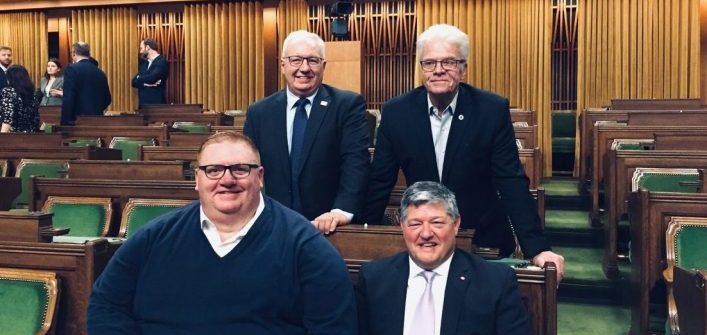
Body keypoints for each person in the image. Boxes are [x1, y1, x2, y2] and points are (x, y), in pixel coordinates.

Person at [87, 131, 358, 335]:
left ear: (260, 177)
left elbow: (334, 328)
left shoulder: (306, 248)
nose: (226, 180)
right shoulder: (153, 238)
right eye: (213, 170)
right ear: (197, 179)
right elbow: (106, 305)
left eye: (240, 169)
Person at [363, 24, 564, 280]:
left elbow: (511, 180)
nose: (438, 70)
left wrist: (537, 248)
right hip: (423, 241)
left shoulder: (491, 110)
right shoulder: (396, 112)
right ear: (421, 68)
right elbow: (380, 181)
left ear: (463, 68)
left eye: (448, 62)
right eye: (429, 63)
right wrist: (363, 233)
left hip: (482, 237)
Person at [357, 181, 532, 335]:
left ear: (456, 224)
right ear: (402, 226)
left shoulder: (495, 282)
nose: (426, 233)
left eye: (437, 223)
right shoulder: (374, 279)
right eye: (416, 224)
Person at [244, 30, 370, 234]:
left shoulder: (347, 105)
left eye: (313, 60)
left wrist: (340, 212)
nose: (304, 68)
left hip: (329, 227)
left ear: (323, 66)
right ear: (283, 65)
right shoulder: (259, 112)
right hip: (273, 225)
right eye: (296, 60)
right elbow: (247, 168)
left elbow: (356, 162)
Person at [60, 41, 111, 125]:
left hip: (78, 121)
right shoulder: (100, 73)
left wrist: (65, 123)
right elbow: (107, 99)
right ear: (88, 54)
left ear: (73, 53)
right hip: (97, 120)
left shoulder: (72, 69)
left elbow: (69, 98)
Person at [1, 65, 40, 133]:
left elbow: (7, 118)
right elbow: (36, 118)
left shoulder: (8, 91)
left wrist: (2, 137)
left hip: (14, 136)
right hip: (31, 134)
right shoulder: (32, 93)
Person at [131, 38, 169, 105]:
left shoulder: (162, 62)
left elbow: (152, 78)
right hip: (143, 106)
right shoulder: (145, 63)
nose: (140, 52)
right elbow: (133, 82)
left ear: (148, 47)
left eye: (141, 48)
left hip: (156, 105)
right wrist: (145, 83)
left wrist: (139, 77)